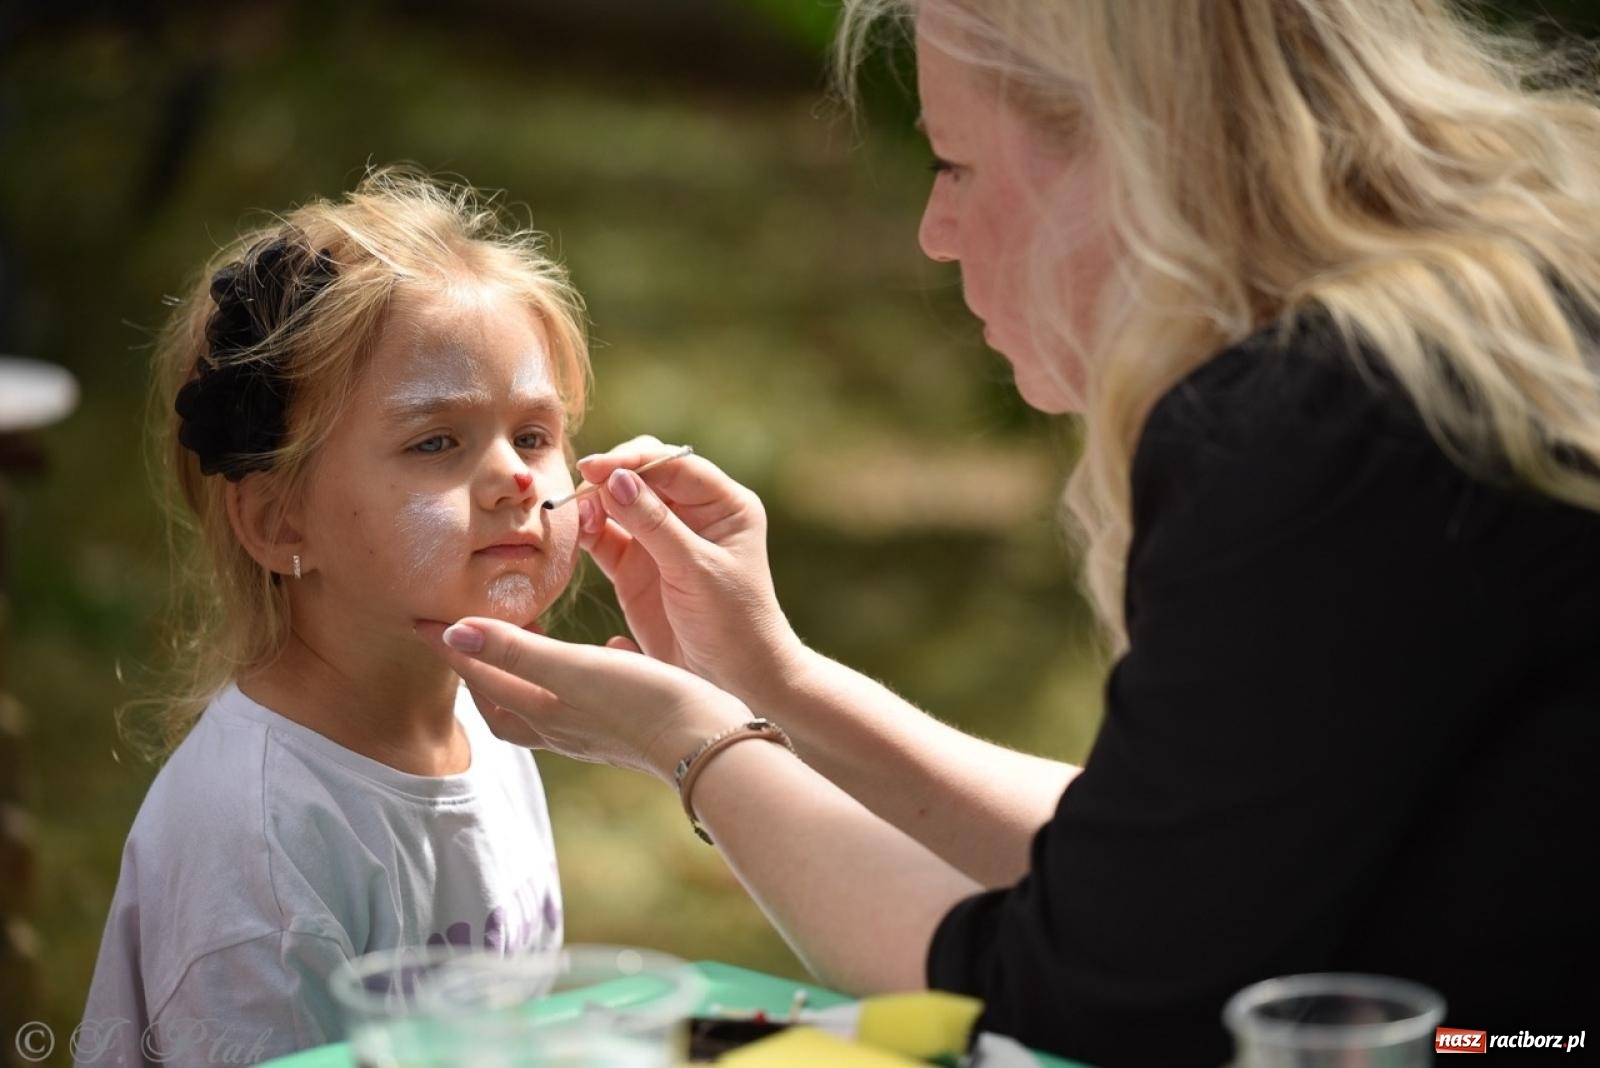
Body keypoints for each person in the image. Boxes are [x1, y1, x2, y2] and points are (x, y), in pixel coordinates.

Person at [425, 1, 1600, 1064]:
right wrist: (774, 679)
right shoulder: (1457, 343)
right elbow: (1163, 877)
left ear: (1129, 146)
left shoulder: (1327, 426)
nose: (935, 232)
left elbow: (1079, 998)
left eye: (957, 163)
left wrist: (694, 746)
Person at [79, 171, 589, 1063]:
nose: (517, 478)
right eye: (437, 441)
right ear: (282, 523)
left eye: (535, 436)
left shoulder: (484, 719)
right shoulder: (260, 850)